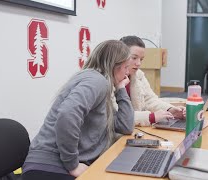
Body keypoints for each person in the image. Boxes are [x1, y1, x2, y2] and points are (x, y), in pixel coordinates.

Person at [22, 40, 134, 180]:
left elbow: (125, 125)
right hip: (50, 166)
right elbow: (67, 114)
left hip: (57, 165)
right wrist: (72, 164)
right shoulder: (96, 81)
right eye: (126, 67)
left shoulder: (98, 82)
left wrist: (121, 89)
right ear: (115, 66)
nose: (128, 73)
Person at [117, 35, 186, 126]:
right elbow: (116, 116)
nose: (138, 63)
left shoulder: (138, 75)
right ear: (120, 56)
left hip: (135, 127)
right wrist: (150, 117)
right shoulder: (110, 79)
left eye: (141, 59)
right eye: (134, 58)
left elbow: (150, 100)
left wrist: (171, 110)